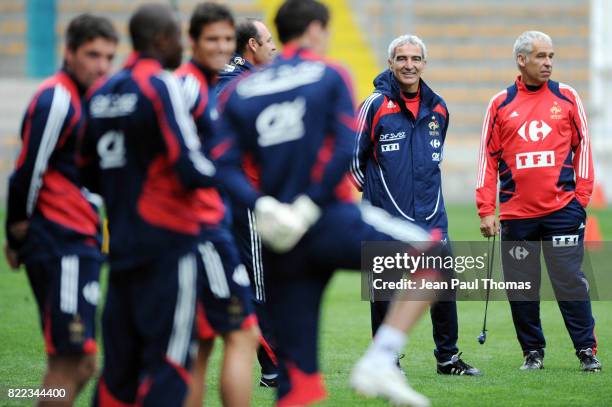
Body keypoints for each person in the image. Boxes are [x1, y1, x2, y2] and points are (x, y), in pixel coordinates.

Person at [213, 1, 445, 406]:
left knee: (297, 381)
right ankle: (381, 358)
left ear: (279, 36)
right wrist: (309, 205)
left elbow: (223, 164)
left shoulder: (239, 90)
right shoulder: (330, 73)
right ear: (317, 30)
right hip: (327, 220)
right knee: (434, 255)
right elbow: (344, 148)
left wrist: (262, 205)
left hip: (278, 236)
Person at [80, 4, 216, 405]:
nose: (183, 44)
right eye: (178, 35)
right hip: (168, 248)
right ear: (162, 39)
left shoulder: (102, 91)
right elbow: (190, 165)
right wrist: (229, 169)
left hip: (120, 246)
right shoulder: (161, 84)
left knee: (117, 373)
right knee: (170, 365)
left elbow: (86, 172)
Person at [350, 34, 480, 376]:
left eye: (416, 59)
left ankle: (448, 359)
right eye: (402, 58)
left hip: (431, 216)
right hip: (385, 221)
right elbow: (352, 160)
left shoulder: (439, 107)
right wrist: (377, 199)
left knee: (442, 287)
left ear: (424, 63)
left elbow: (432, 160)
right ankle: (386, 361)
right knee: (385, 296)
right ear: (391, 63)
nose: (409, 65)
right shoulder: (374, 105)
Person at [4, 14, 117, 405]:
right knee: (71, 361)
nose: (101, 65)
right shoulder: (57, 98)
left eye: (108, 57)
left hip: (80, 240)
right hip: (60, 241)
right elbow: (26, 171)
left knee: (82, 364)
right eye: (91, 55)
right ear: (69, 53)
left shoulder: (89, 98)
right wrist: (16, 230)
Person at [476, 30, 601, 372]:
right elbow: (487, 158)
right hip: (517, 217)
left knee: (570, 281)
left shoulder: (567, 96)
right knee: (522, 287)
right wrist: (487, 209)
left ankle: (586, 351)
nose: (548, 63)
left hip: (563, 211)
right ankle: (532, 353)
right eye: (540, 57)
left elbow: (585, 147)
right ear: (522, 60)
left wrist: (581, 198)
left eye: (551, 57)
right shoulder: (500, 104)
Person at [174, 3, 259, 407]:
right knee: (240, 332)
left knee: (203, 340)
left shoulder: (209, 86)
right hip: (198, 228)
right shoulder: (188, 87)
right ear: (192, 41)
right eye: (213, 39)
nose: (223, 46)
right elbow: (186, 163)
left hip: (210, 221)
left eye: (227, 39)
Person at [215, 16, 280, 388]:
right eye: (268, 40)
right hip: (244, 199)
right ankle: (273, 367)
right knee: (258, 284)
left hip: (225, 198)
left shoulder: (219, 79)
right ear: (251, 46)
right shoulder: (239, 84)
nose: (274, 47)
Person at [217, 17, 276, 90]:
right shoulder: (232, 80)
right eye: (269, 41)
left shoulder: (247, 74)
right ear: (253, 44)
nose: (274, 47)